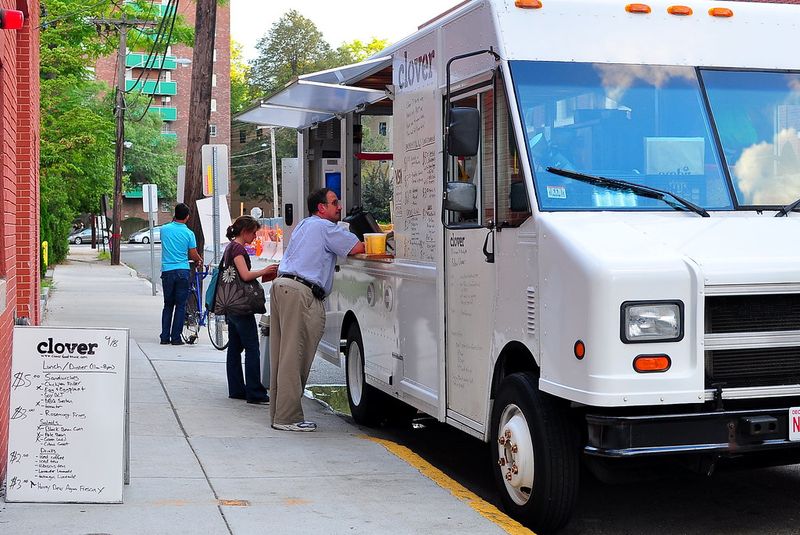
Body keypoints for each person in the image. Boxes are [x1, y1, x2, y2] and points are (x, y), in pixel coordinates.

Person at [269, 188, 365, 432]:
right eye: (334, 203)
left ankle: (279, 413)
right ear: (321, 208)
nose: (339, 207)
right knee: (295, 356)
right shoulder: (326, 228)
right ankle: (287, 418)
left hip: (282, 286)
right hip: (301, 292)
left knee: (282, 355)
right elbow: (357, 248)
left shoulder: (304, 225)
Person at [223, 215, 279, 404]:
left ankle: (237, 388)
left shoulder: (229, 246)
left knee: (234, 347)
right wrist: (265, 271)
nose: (255, 236)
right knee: (252, 348)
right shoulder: (238, 249)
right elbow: (245, 275)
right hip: (240, 305)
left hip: (230, 303)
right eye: (253, 233)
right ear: (245, 231)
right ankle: (255, 392)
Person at [160, 203, 202, 345]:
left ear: (175, 214)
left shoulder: (164, 230)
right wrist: (198, 260)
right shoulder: (189, 233)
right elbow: (193, 253)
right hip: (182, 271)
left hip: (167, 270)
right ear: (187, 217)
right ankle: (176, 338)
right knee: (180, 305)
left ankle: (164, 337)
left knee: (168, 305)